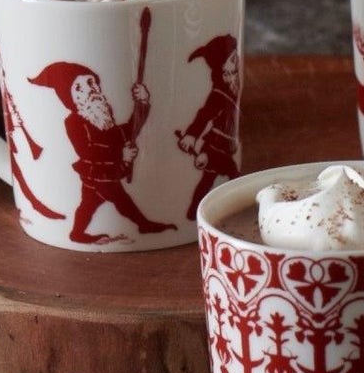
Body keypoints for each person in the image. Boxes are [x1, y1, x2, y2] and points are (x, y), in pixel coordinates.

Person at [27, 60, 177, 244]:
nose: (90, 89)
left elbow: (127, 131)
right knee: (120, 199)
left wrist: (143, 102)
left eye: (91, 82)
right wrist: (120, 155)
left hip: (101, 174)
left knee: (89, 204)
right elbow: (87, 151)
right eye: (80, 88)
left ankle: (76, 234)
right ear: (71, 98)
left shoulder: (103, 114)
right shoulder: (74, 122)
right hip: (97, 173)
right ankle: (143, 225)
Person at [178, 33, 240, 217]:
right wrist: (191, 135)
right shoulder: (219, 94)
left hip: (227, 146)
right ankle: (193, 214)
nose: (236, 58)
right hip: (215, 146)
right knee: (218, 178)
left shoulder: (233, 89)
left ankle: (194, 214)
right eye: (232, 57)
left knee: (214, 178)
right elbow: (204, 115)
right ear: (222, 67)